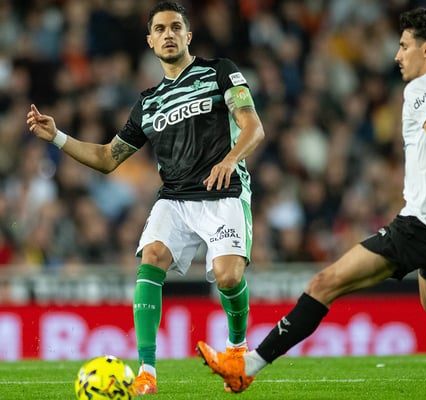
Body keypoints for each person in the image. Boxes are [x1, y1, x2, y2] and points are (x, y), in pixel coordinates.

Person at [196, 7, 426, 394]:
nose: (397, 55)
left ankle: (246, 367)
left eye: (404, 46)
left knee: (324, 283)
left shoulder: (422, 88)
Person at [26, 1, 265, 395]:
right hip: (174, 198)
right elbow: (108, 158)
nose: (168, 34)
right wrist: (57, 137)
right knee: (151, 256)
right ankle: (147, 372)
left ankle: (237, 351)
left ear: (188, 36)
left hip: (223, 191)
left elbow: (253, 127)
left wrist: (229, 160)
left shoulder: (220, 72)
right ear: (150, 41)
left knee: (228, 276)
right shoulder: (148, 103)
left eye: (175, 27)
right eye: (160, 29)